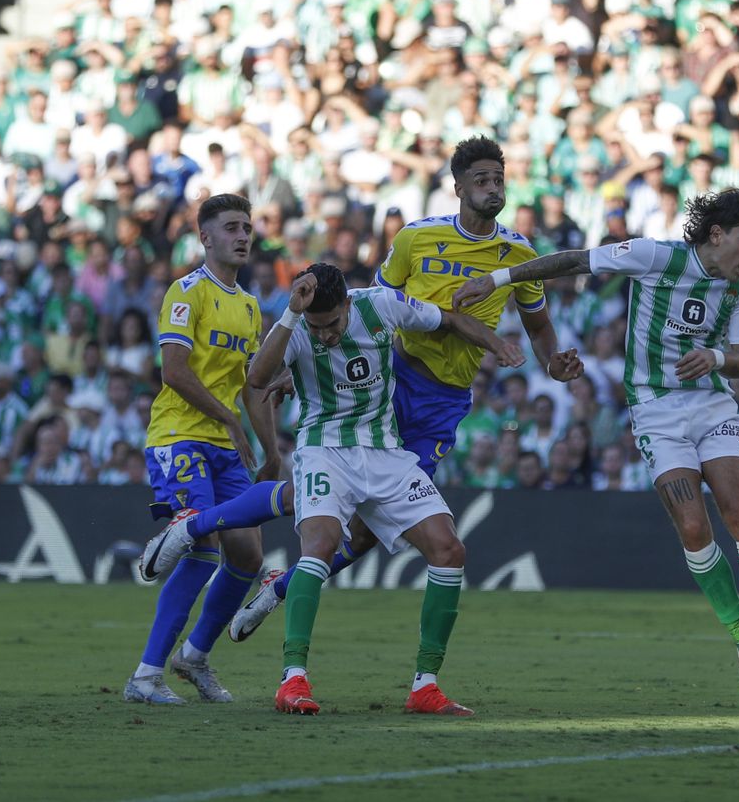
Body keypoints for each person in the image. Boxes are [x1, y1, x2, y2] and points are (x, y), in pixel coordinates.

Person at [139, 262, 525, 715]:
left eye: (333, 324)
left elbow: (448, 318)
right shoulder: (299, 326)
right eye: (317, 327)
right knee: (319, 545)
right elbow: (258, 379)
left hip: (385, 452)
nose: (325, 336)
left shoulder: (381, 304)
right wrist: (291, 315)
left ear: (348, 303)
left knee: (449, 550)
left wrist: (496, 342)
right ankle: (293, 680)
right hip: (325, 449)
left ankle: (425, 686)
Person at [453, 189, 739, 700]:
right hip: (655, 410)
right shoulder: (654, 256)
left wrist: (716, 359)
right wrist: (496, 278)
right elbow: (573, 260)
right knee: (694, 527)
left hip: (711, 404)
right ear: (718, 234)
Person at [233, 136, 585, 620]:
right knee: (307, 496)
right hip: (387, 384)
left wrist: (552, 363)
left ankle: (278, 589)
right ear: (458, 187)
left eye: (498, 179)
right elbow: (361, 315)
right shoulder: (415, 238)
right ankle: (198, 528)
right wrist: (305, 370)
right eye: (481, 180)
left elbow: (539, 327)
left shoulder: (519, 255)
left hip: (444, 402)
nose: (492, 188)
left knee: (369, 530)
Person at [123, 194, 283, 707]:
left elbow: (252, 387)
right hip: (179, 436)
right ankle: (146, 676)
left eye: (247, 227)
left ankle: (193, 656)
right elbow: (174, 371)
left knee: (248, 554)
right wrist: (230, 421)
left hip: (225, 443)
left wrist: (270, 448)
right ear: (206, 237)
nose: (243, 236)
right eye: (231, 227)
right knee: (202, 547)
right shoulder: (185, 292)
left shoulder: (250, 305)